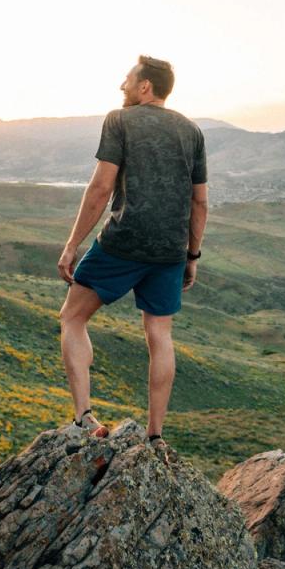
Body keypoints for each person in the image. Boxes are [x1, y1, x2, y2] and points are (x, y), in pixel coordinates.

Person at [58, 55, 208, 460]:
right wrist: (191, 255)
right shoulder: (192, 131)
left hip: (123, 241)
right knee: (160, 335)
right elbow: (200, 201)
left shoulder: (119, 121)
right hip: (170, 250)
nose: (121, 85)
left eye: (128, 79)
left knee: (72, 317)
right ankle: (156, 436)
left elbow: (100, 188)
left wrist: (73, 244)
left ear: (145, 87)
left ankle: (84, 418)